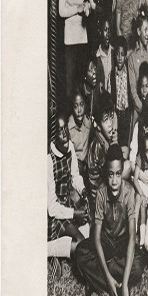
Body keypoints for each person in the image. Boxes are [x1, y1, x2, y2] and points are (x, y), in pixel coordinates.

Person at [75, 144, 143, 296]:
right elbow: (97, 238)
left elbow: (132, 237)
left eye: (118, 174)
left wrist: (125, 285)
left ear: (122, 173)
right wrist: (107, 276)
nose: (114, 181)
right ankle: (111, 280)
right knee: (80, 252)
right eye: (111, 174)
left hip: (121, 243)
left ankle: (104, 280)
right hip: (106, 242)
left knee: (138, 266)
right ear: (106, 173)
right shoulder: (101, 192)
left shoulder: (129, 193)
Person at [47, 113, 90, 264]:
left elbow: (75, 176)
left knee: (88, 229)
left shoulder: (69, 146)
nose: (64, 133)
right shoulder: (49, 160)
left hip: (67, 205)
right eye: (60, 130)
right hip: (55, 216)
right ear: (53, 136)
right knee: (81, 244)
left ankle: (64, 250)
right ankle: (48, 249)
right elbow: (52, 209)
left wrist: (83, 190)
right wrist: (74, 213)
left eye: (65, 127)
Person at [87, 92, 116, 208]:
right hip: (99, 197)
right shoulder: (98, 145)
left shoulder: (105, 140)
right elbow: (98, 182)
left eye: (111, 118)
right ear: (98, 125)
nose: (110, 124)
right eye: (105, 120)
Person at [127, 12, 148, 117]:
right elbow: (133, 90)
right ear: (139, 32)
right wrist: (143, 110)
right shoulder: (131, 58)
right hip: (138, 112)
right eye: (145, 30)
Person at [110, 36, 132, 156]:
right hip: (117, 116)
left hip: (127, 115)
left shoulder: (129, 72)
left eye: (122, 54)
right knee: (116, 146)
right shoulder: (112, 74)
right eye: (117, 54)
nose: (119, 58)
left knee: (126, 147)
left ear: (126, 55)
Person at [68, 85, 91, 180]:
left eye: (82, 104)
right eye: (75, 106)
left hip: (87, 168)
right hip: (74, 169)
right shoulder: (68, 128)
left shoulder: (88, 122)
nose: (79, 110)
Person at [95, 18, 113, 94]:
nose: (108, 34)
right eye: (105, 30)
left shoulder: (115, 54)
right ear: (100, 32)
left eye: (109, 30)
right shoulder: (96, 56)